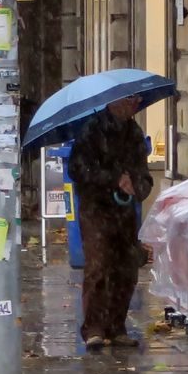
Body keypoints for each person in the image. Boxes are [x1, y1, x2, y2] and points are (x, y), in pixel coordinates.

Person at [67, 95, 154, 350]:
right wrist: (114, 178)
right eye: (128, 100)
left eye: (136, 101)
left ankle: (117, 327)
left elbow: (144, 176)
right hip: (96, 208)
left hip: (125, 211)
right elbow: (78, 169)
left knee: (126, 267)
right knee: (99, 264)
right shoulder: (92, 130)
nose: (133, 105)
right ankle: (93, 328)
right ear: (114, 102)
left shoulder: (135, 134)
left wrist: (135, 186)